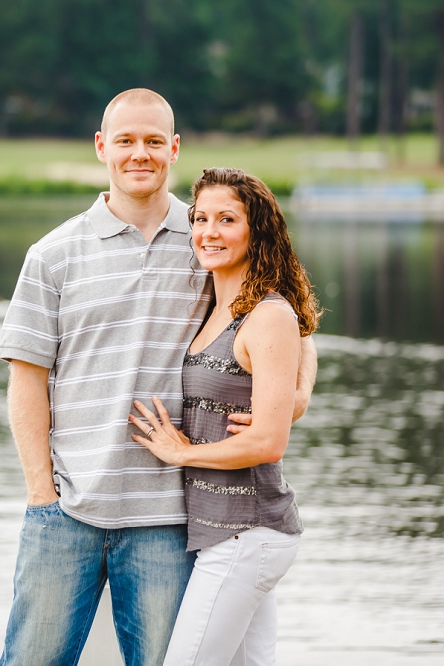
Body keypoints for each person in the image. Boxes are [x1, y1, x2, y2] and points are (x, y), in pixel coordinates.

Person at [0, 89, 317, 666]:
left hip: (169, 520)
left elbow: (291, 317)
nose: (138, 153)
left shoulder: (205, 239)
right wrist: (42, 495)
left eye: (151, 141)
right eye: (124, 141)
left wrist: (293, 397)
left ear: (173, 149)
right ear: (102, 147)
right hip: (68, 510)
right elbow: (26, 380)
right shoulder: (52, 255)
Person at [130, 167, 320, 665]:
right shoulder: (217, 301)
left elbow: (267, 444)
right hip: (218, 532)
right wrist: (299, 390)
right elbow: (305, 335)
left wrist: (182, 452)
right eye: (200, 218)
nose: (208, 232)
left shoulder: (266, 314)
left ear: (257, 230)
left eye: (226, 219)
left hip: (247, 531)